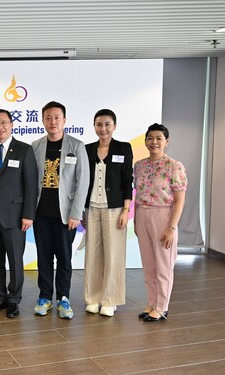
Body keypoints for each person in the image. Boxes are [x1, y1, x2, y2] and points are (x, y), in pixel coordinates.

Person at [0, 109, 38, 319]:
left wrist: (28, 214)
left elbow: (31, 185)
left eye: (4, 122)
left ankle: (14, 300)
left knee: (15, 260)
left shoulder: (24, 150)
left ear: (12, 125)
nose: (0, 127)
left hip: (15, 215)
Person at [32, 101, 89, 320]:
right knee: (43, 257)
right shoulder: (36, 146)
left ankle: (63, 297)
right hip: (41, 213)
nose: (52, 121)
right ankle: (45, 296)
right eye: (48, 117)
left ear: (64, 120)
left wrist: (76, 213)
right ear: (43, 120)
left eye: (57, 117)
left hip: (67, 215)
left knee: (64, 258)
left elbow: (82, 182)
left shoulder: (76, 145)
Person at [134, 123, 187, 322]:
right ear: (145, 140)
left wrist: (171, 228)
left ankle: (162, 306)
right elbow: (138, 193)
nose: (154, 142)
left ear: (166, 141)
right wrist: (138, 221)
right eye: (150, 138)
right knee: (148, 265)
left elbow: (180, 199)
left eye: (158, 138)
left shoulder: (175, 165)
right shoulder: (139, 165)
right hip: (142, 214)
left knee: (164, 265)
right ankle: (151, 302)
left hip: (163, 215)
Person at [83, 109, 133, 317]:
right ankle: (93, 298)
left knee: (113, 255)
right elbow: (82, 181)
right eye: (99, 124)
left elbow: (127, 180)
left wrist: (126, 210)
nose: (102, 128)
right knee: (92, 256)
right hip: (92, 207)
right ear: (94, 126)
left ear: (114, 126)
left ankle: (110, 300)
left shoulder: (123, 148)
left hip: (114, 209)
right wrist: (82, 210)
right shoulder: (86, 149)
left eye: (107, 124)